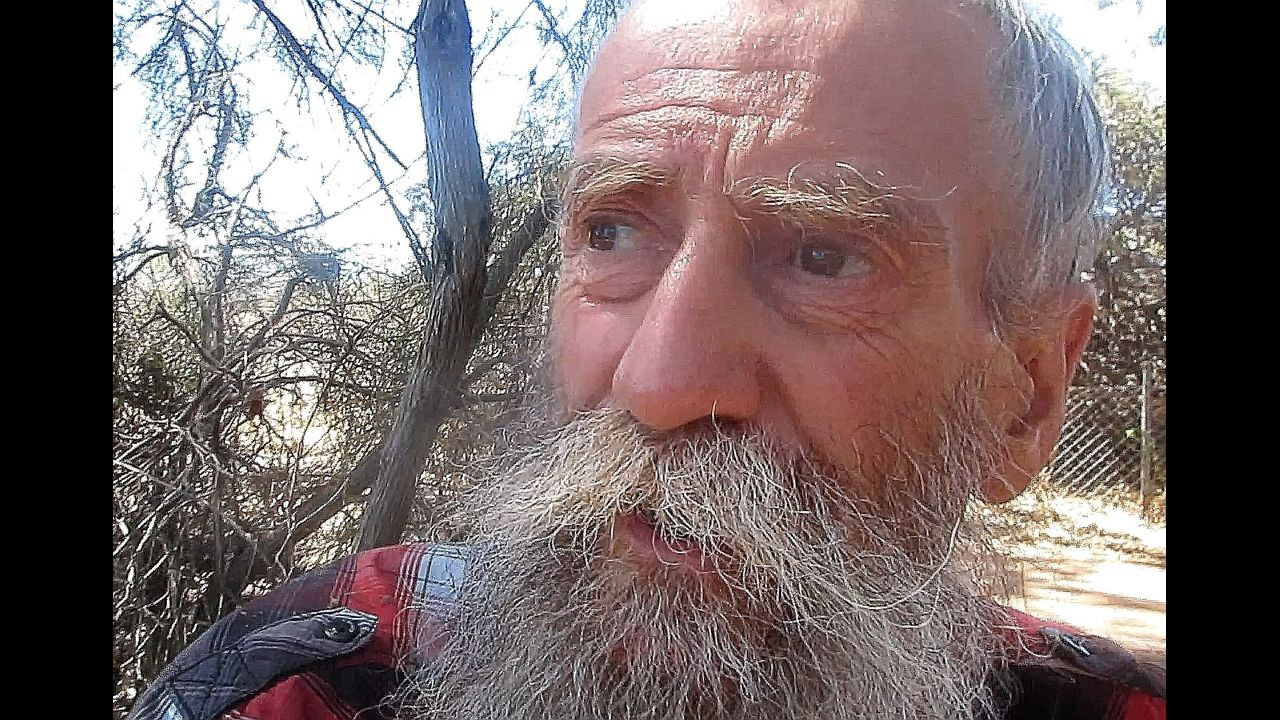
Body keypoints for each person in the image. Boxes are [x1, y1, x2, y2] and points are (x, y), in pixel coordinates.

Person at [128, 0, 1166, 718]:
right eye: (614, 232)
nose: (657, 386)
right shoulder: (305, 689)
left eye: (824, 256)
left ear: (1027, 395)